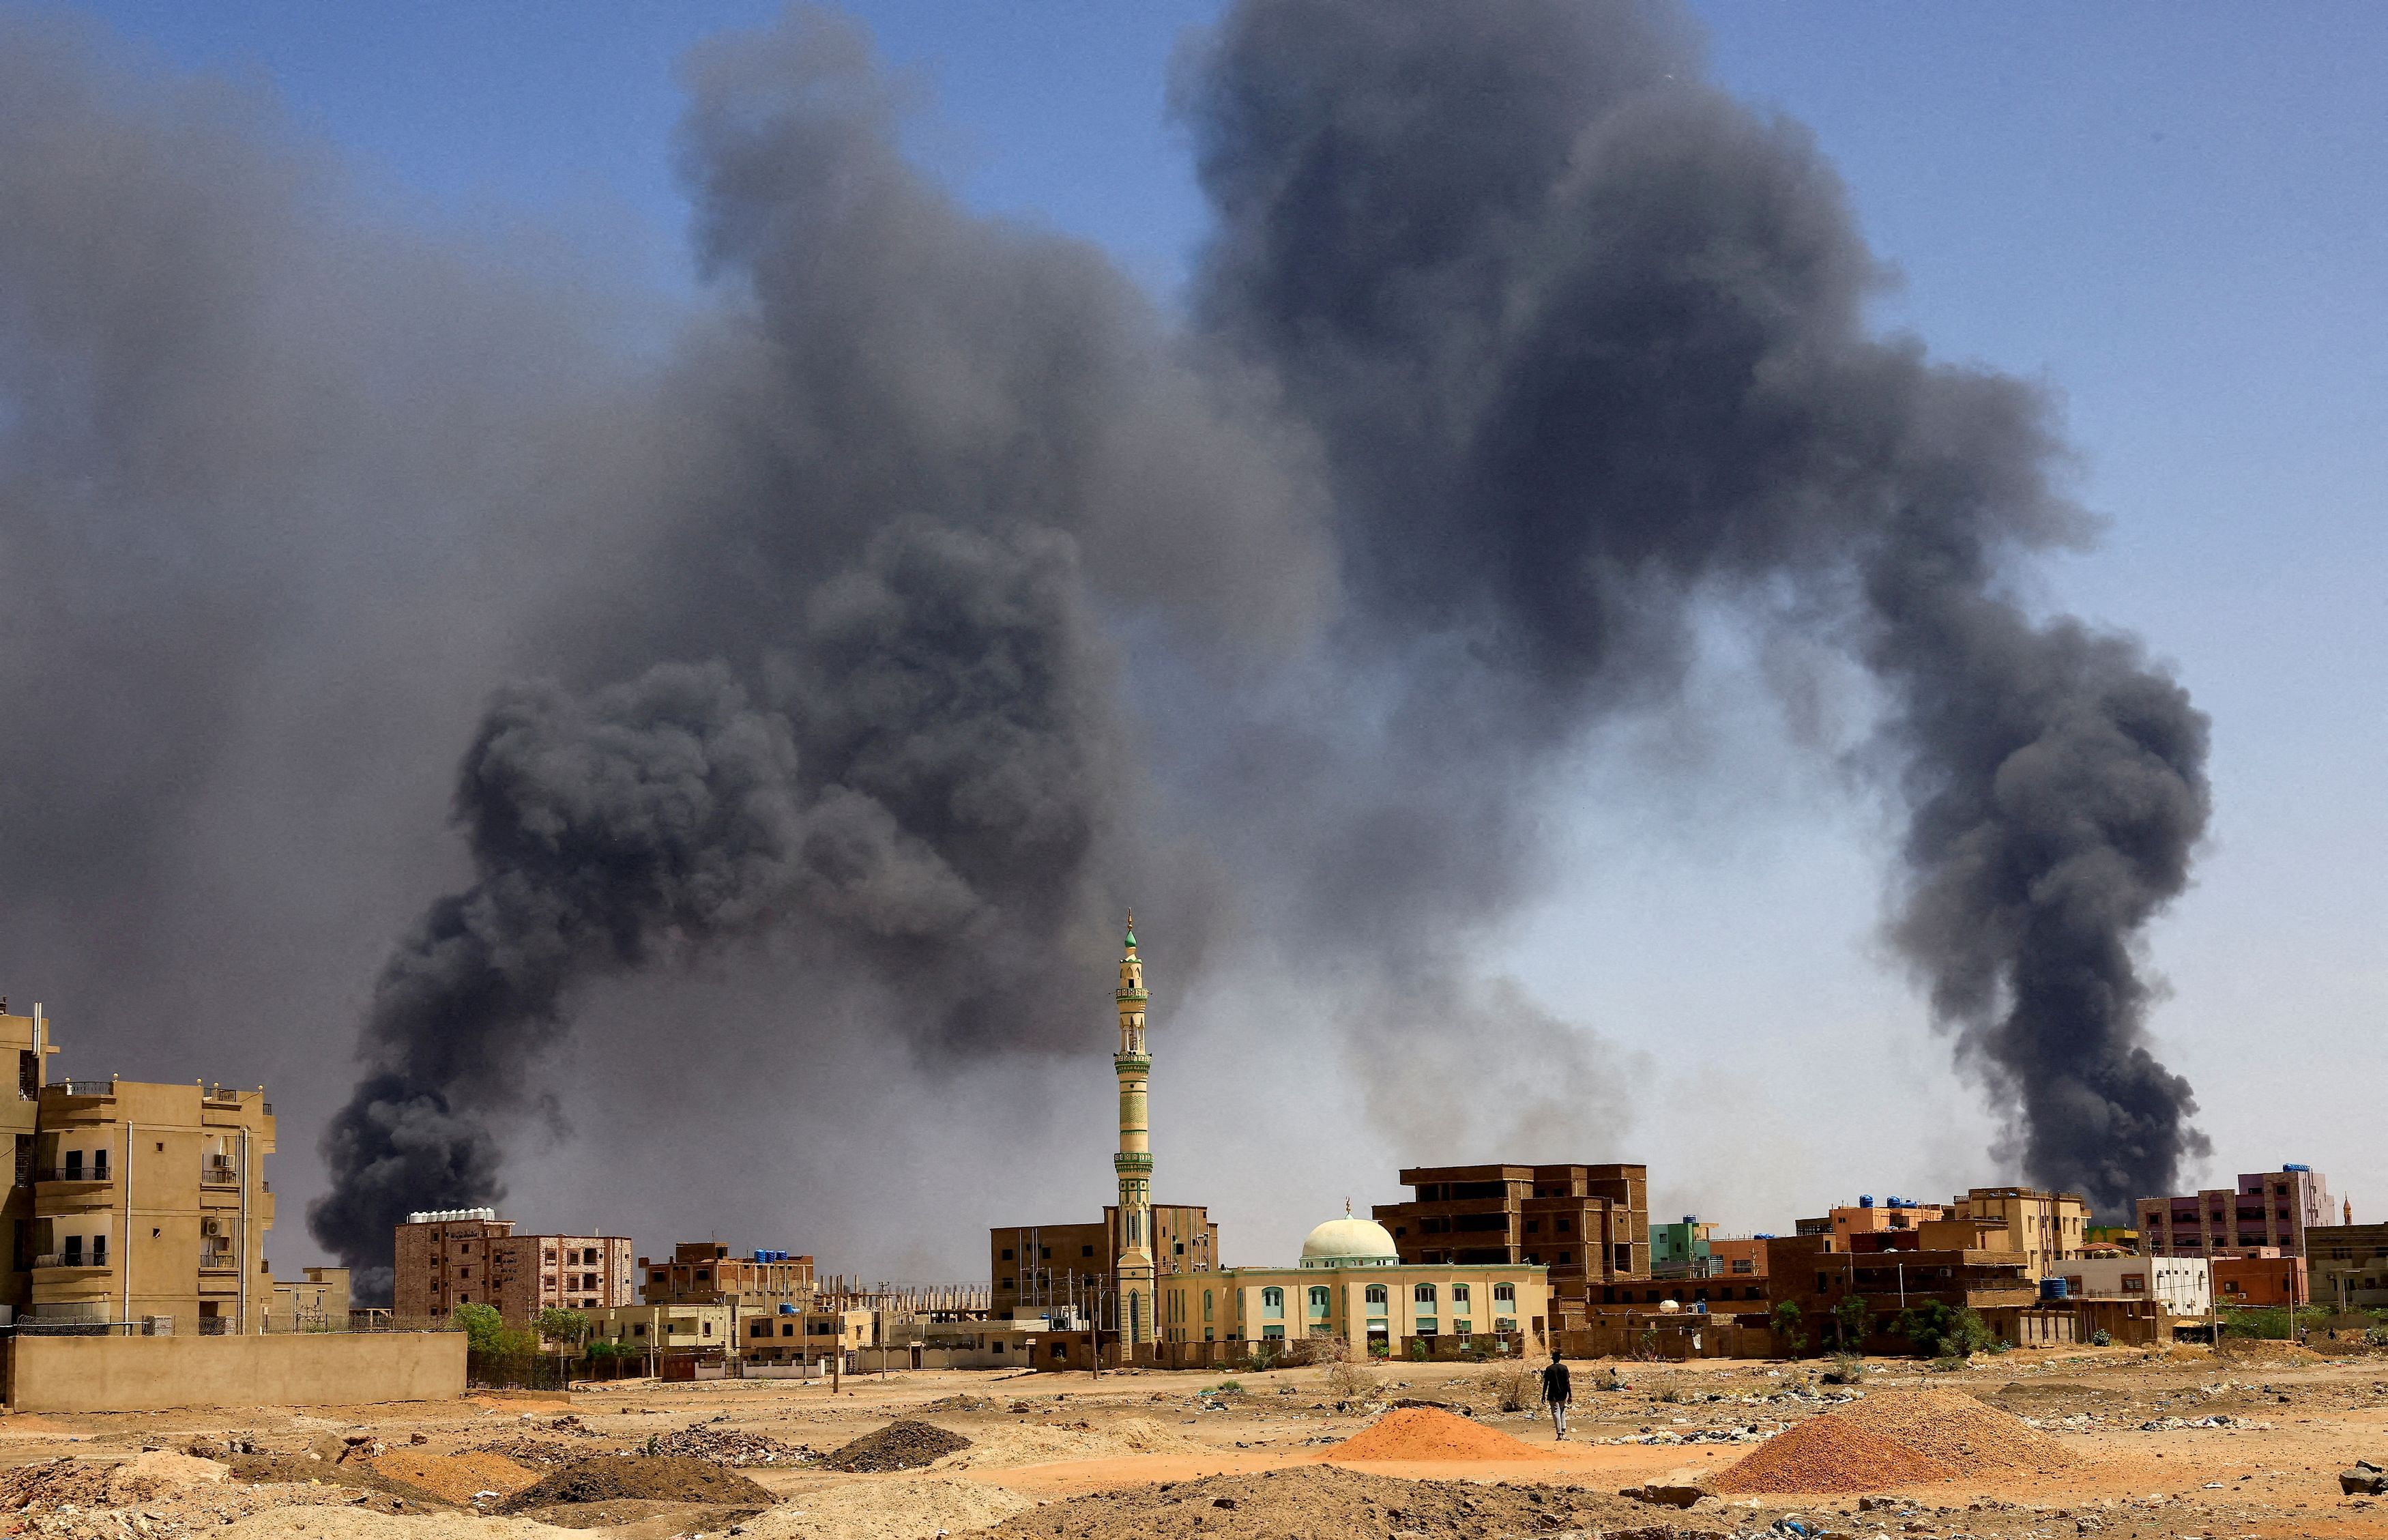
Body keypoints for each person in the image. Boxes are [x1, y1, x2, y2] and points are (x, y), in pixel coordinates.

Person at [1541, 1347, 1573, 1440]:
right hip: (1563, 1393)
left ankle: (1559, 1434)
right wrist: (1570, 1395)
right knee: (1562, 1411)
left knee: (1556, 1412)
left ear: (1552, 1359)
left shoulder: (1549, 1369)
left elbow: (1546, 1383)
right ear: (1560, 1359)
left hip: (1552, 1394)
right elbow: (1567, 1382)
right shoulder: (1564, 1368)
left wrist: (1543, 1395)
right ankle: (1563, 1430)